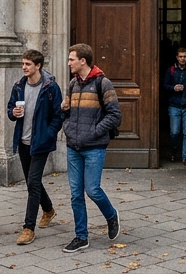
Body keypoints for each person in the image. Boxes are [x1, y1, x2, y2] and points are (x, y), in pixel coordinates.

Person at [59, 43, 122, 253]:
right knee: (76, 194)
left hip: (94, 146)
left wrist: (94, 132)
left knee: (92, 190)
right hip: (73, 146)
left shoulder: (103, 83)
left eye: (71, 59)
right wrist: (67, 126)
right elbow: (66, 111)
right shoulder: (72, 84)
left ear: (82, 61)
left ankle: (111, 215)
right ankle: (81, 236)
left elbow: (115, 115)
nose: (68, 63)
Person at [6, 49, 63, 246]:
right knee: (33, 183)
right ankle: (48, 210)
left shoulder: (50, 87)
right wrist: (13, 112)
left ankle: (28, 228)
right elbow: (10, 109)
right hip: (23, 141)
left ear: (38, 66)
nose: (24, 67)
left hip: (41, 142)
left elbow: (58, 115)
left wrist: (49, 134)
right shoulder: (19, 86)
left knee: (33, 181)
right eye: (23, 64)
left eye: (28, 64)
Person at [163, 48, 186, 167]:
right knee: (174, 132)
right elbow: (164, 85)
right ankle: (174, 149)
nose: (182, 59)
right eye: (180, 56)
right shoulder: (170, 70)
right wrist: (173, 88)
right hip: (174, 104)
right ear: (177, 57)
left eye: (184, 56)